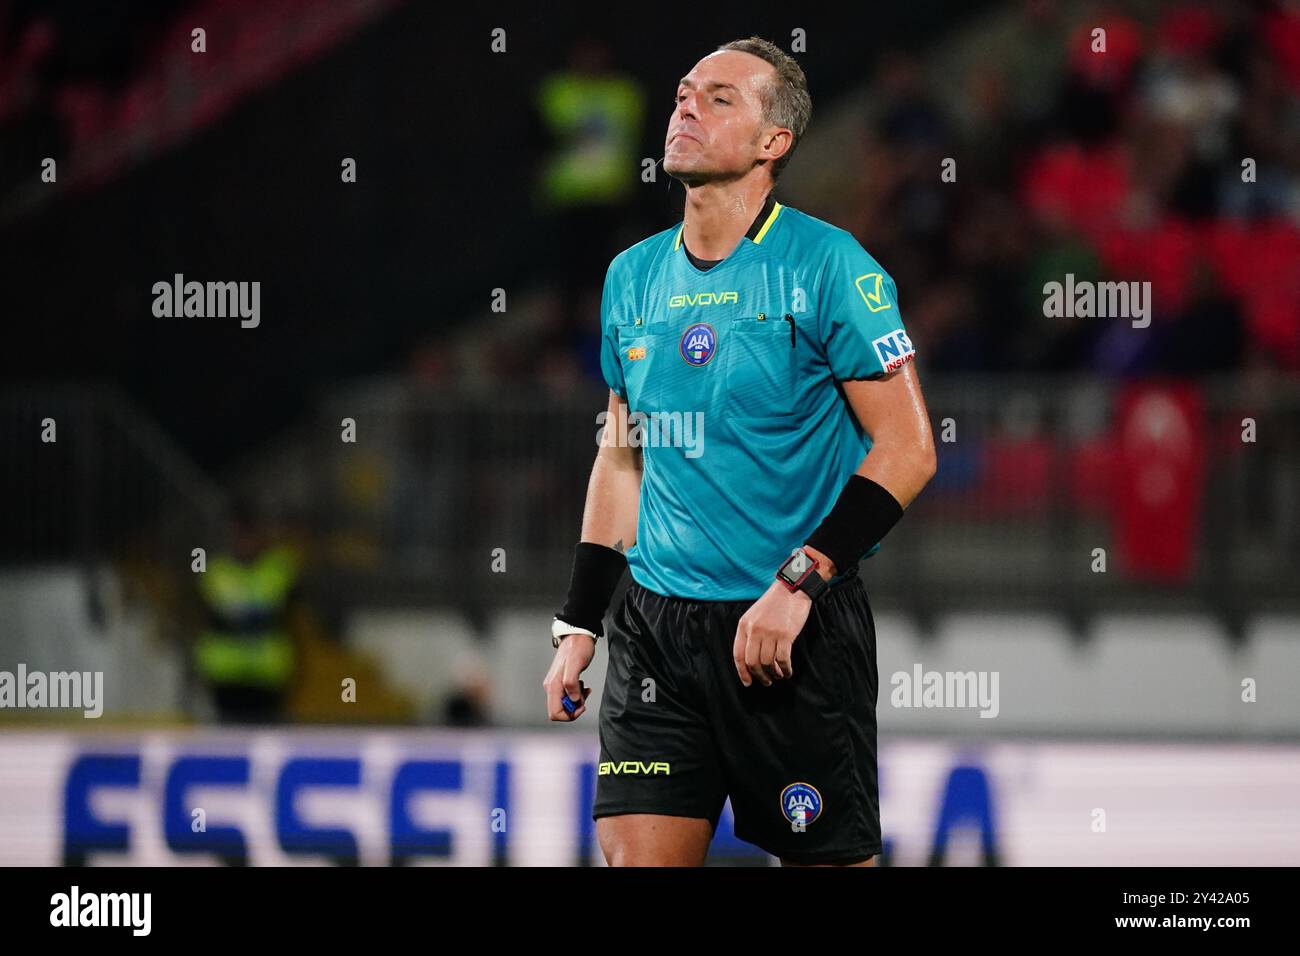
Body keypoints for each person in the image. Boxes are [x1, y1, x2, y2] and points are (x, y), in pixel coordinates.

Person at [543, 37, 936, 866]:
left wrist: (800, 582)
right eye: (685, 92)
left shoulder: (832, 267)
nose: (686, 106)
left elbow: (906, 449)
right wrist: (581, 618)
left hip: (791, 629)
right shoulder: (631, 276)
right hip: (655, 629)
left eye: (720, 98)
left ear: (774, 142)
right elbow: (623, 456)